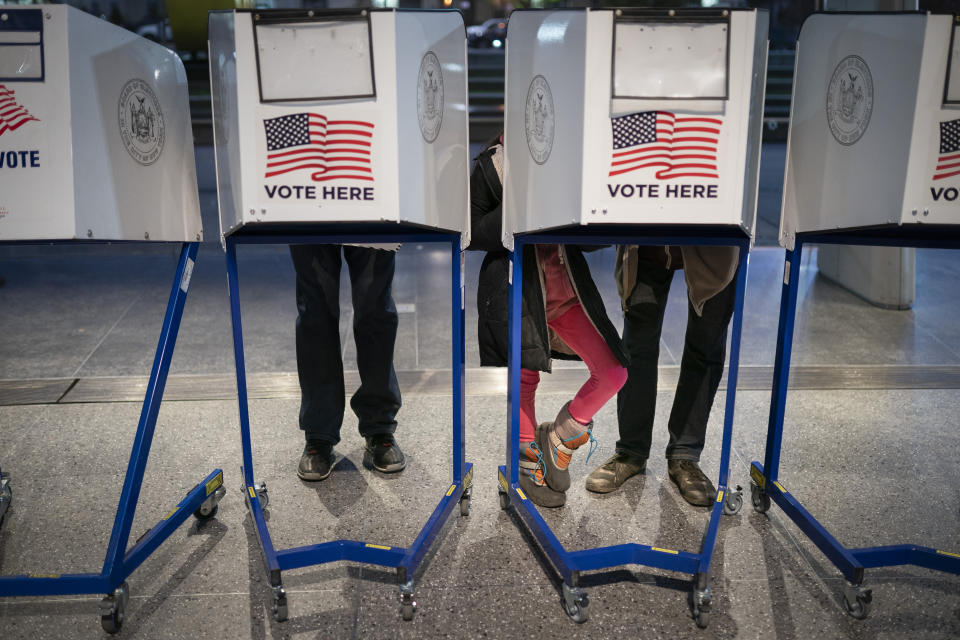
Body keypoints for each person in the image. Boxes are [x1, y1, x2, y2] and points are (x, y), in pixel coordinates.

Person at [470, 134, 629, 507]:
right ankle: (526, 465)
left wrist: (581, 201)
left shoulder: (572, 155)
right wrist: (523, 200)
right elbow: (473, 233)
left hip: (568, 294)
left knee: (614, 372)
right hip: (518, 295)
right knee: (524, 380)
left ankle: (561, 437)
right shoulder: (492, 164)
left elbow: (594, 238)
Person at [585, 245, 739, 506]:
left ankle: (685, 455)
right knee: (637, 342)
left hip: (715, 235)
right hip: (649, 231)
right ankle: (630, 451)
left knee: (707, 343)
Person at [291, 244, 405, 481]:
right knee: (315, 312)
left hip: (373, 210)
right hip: (307, 210)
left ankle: (379, 426)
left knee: (375, 308)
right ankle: (319, 432)